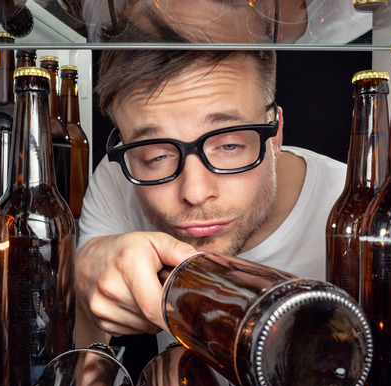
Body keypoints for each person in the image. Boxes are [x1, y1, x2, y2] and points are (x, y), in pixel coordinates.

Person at [74, 48, 347, 348]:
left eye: (229, 145)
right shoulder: (118, 176)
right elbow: (80, 367)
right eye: (157, 156)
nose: (195, 192)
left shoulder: (353, 207)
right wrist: (81, 284)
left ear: (276, 132)